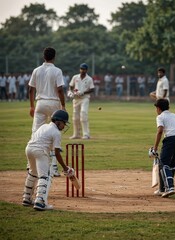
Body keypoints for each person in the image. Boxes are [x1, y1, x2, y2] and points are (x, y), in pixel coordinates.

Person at [22, 110, 75, 211]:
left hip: (29, 148)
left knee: (33, 173)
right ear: (58, 122)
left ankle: (27, 198)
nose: (64, 126)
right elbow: (57, 153)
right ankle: (40, 202)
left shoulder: (44, 126)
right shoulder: (56, 133)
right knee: (45, 176)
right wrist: (65, 168)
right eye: (64, 123)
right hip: (40, 151)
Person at [28, 47, 66, 176]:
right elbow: (60, 89)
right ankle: (54, 168)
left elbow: (30, 90)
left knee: (35, 133)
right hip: (54, 102)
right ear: (54, 57)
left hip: (40, 104)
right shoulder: (57, 71)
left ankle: (31, 166)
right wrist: (63, 105)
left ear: (43, 57)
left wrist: (32, 106)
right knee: (54, 133)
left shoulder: (36, 70)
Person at [149, 99, 175, 198]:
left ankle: (170, 187)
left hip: (171, 138)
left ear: (158, 108)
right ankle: (162, 188)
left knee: (164, 163)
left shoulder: (160, 117)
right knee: (172, 163)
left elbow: (160, 131)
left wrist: (155, 148)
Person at [68, 63, 94, 139]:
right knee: (75, 117)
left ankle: (86, 134)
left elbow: (92, 89)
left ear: (86, 70)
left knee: (83, 114)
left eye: (84, 69)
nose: (82, 70)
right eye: (81, 69)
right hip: (76, 99)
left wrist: (83, 92)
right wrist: (70, 92)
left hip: (84, 98)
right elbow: (71, 86)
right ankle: (76, 134)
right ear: (80, 69)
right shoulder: (75, 77)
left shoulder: (89, 79)